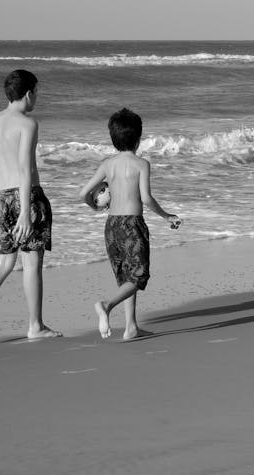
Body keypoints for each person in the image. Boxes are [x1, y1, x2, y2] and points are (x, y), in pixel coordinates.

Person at [0, 69, 61, 346]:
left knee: (3, 262)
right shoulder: (27, 124)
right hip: (24, 196)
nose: (37, 97)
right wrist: (26, 212)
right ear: (29, 94)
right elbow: (24, 169)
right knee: (32, 263)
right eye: (36, 92)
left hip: (0, 196)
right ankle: (35, 325)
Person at [80, 107, 181, 341]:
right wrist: (166, 216)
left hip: (112, 226)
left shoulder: (107, 164)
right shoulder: (141, 164)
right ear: (138, 139)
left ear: (113, 139)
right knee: (139, 277)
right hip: (132, 225)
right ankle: (106, 305)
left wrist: (97, 206)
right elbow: (145, 199)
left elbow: (83, 193)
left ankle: (131, 327)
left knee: (127, 277)